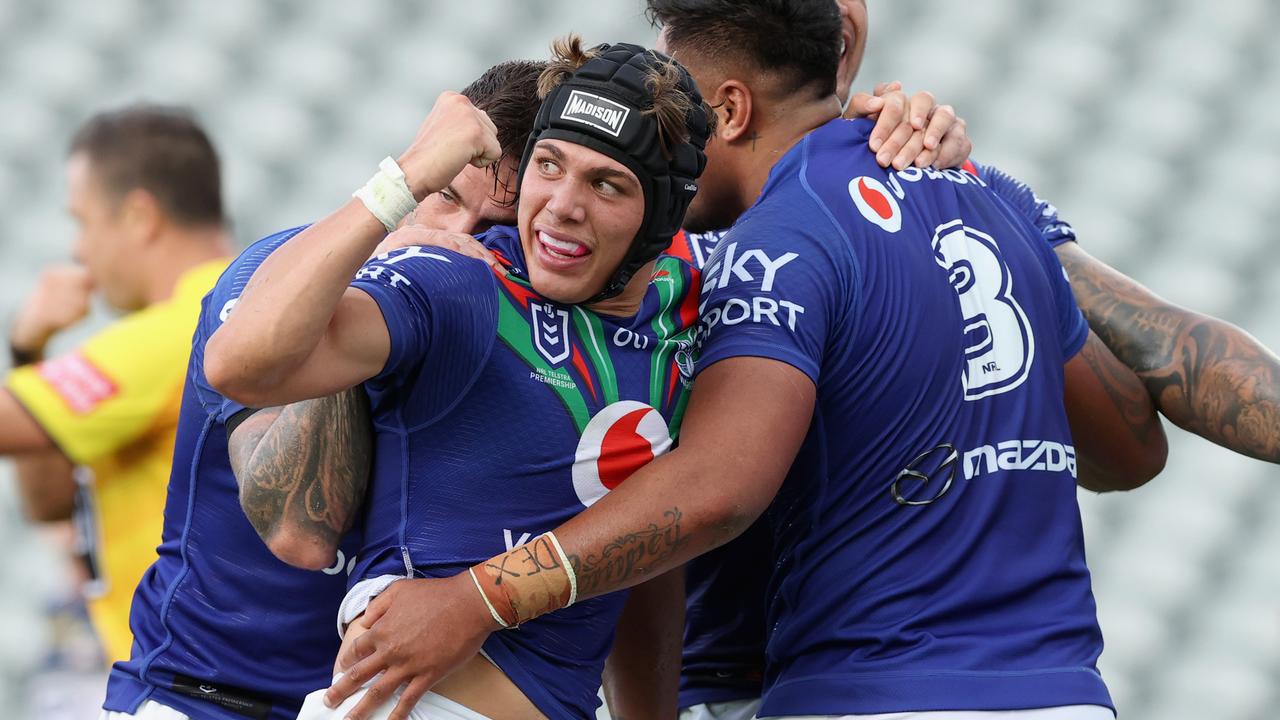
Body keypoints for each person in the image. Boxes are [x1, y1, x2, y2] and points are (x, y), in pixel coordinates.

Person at [318, 3, 1175, 719]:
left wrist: (474, 600)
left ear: (726, 111)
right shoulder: (980, 199)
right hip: (1064, 690)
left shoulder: (772, 245)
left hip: (864, 688)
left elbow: (714, 490)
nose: (667, 140)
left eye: (680, 110)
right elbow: (1134, 449)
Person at [205, 39, 715, 719]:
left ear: (662, 220)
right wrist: (405, 179)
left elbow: (645, 553)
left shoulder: (693, 301)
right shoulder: (461, 284)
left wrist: (884, 117)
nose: (561, 205)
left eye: (606, 184)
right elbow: (237, 362)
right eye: (548, 166)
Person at [98, 62, 546, 720]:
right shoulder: (270, 280)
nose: (457, 239)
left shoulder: (514, 342)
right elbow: (299, 534)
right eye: (445, 197)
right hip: (201, 700)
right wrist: (373, 281)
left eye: (493, 227)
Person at [0, 105, 232, 665]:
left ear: (138, 215)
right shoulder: (241, 302)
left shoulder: (181, 326)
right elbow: (50, 501)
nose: (78, 250)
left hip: (188, 674)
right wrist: (27, 353)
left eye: (82, 221)